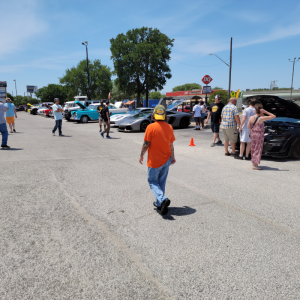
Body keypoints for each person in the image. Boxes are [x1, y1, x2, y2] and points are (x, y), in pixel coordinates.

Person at [139, 105, 176, 216]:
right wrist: (173, 156)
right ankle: (159, 204)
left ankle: (162, 199)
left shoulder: (151, 127)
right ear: (165, 115)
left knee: (152, 181)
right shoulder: (169, 127)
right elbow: (171, 144)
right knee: (161, 182)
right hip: (166, 159)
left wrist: (141, 155)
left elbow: (146, 144)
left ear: (154, 114)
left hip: (155, 161)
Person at [248, 104, 276, 170]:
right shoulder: (261, 118)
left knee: (253, 148)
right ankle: (255, 165)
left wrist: (261, 113)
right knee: (258, 148)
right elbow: (274, 116)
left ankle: (254, 163)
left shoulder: (251, 117)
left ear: (255, 111)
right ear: (261, 111)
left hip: (253, 133)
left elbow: (248, 127)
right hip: (259, 134)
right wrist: (265, 112)